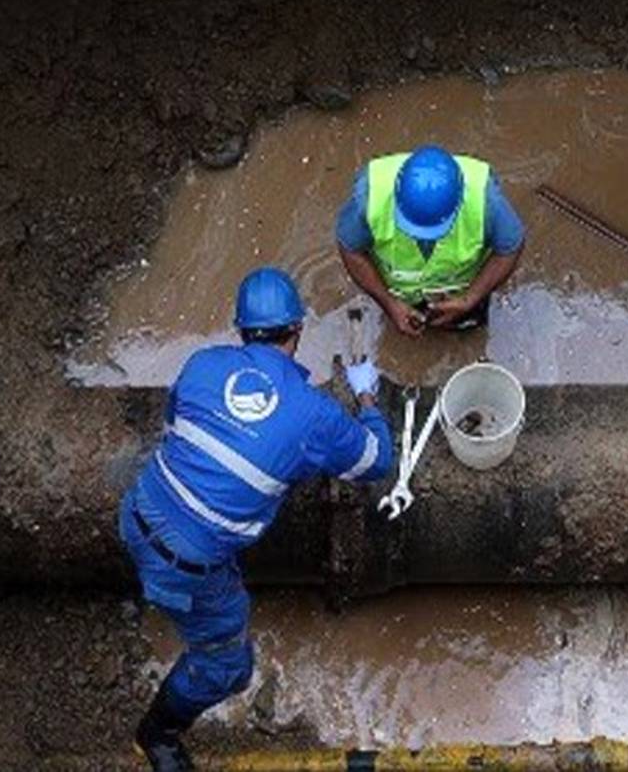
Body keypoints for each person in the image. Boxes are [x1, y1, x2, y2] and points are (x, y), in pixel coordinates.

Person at [120, 267, 393, 771]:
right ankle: (157, 736)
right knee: (229, 668)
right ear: (298, 330)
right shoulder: (313, 413)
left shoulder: (202, 363)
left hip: (136, 510)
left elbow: (175, 424)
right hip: (186, 566)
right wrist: (367, 398)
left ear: (240, 329)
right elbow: (377, 461)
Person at [335, 145, 525, 335]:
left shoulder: (487, 201)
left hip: (461, 292)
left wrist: (470, 299)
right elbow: (350, 249)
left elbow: (510, 248)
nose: (421, 237)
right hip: (400, 294)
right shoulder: (369, 199)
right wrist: (388, 303)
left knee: (470, 327)